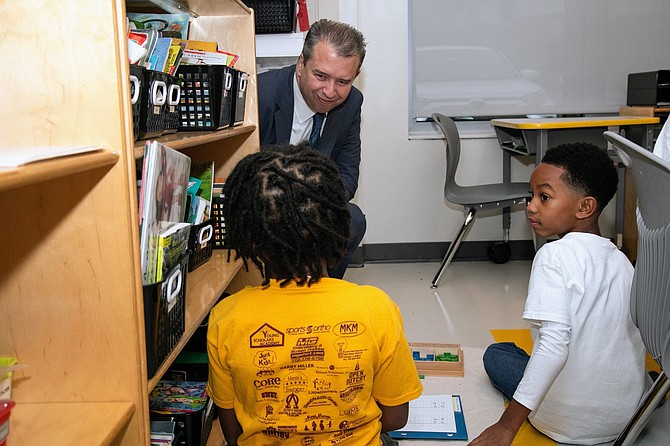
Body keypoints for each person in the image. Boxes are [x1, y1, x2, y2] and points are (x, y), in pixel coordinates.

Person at [206, 143, 423, 446]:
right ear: (340, 225)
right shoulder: (376, 307)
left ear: (251, 240)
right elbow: (396, 418)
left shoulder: (226, 317)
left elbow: (233, 432)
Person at [469, 143, 648, 446]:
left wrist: (506, 427)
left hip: (563, 421)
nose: (531, 206)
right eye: (532, 195)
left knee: (498, 354)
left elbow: (553, 348)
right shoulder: (622, 259)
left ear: (584, 207)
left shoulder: (553, 256)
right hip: (627, 419)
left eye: (545, 197)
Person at [257, 18, 367, 279]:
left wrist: (309, 209)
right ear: (301, 64)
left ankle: (320, 297)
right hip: (265, 203)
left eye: (343, 81)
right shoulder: (261, 95)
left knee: (353, 220)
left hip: (313, 203)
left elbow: (347, 177)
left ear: (355, 77)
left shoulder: (352, 103)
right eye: (321, 76)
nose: (330, 91)